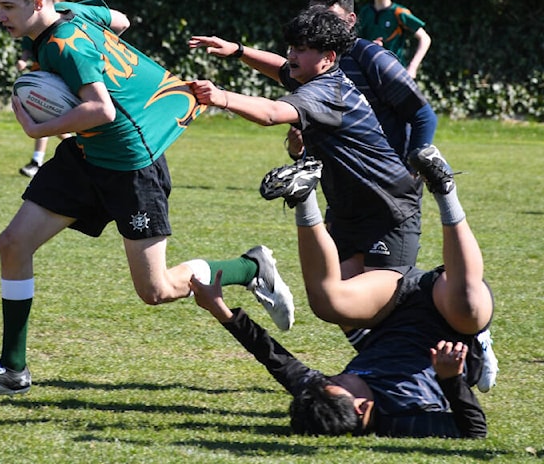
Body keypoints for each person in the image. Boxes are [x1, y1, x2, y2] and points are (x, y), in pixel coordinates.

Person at [0, 0, 295, 401]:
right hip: (88, 154)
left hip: (132, 164)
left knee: (158, 290)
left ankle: (251, 267)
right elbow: (121, 21)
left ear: (38, 3)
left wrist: (38, 130)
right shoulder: (72, 16)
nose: (0, 16)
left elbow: (102, 110)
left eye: (7, 6)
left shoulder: (63, 48)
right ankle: (13, 370)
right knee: (13, 243)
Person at [190, 145, 492, 437]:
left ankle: (306, 194)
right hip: (451, 320)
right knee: (468, 303)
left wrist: (222, 311)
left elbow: (274, 359)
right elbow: (474, 430)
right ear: (362, 409)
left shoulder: (323, 397)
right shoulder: (402, 419)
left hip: (386, 312)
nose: (331, 377)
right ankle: (444, 188)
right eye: (339, 381)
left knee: (328, 303)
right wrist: (451, 379)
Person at [189, 6, 421, 280]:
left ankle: (449, 302)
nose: (291, 55)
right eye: (291, 47)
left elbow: (271, 113)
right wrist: (239, 50)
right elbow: (280, 68)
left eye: (300, 49)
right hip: (350, 211)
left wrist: (222, 97)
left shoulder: (325, 92)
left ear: (328, 57)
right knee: (334, 303)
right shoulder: (318, 77)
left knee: (380, 305)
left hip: (388, 209)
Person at [17, 0, 74, 178]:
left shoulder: (66, 23)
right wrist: (23, 61)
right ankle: (41, 159)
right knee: (43, 116)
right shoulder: (34, 23)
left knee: (45, 117)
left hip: (55, 79)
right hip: (39, 75)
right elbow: (26, 45)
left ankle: (40, 160)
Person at [356, 0, 433, 79]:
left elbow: (425, 39)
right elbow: (355, 41)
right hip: (369, 73)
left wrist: (413, 67)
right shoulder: (365, 12)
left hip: (395, 74)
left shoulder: (399, 12)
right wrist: (370, 46)